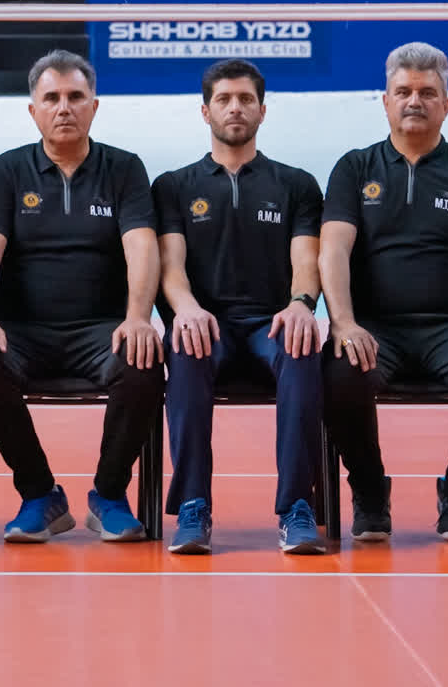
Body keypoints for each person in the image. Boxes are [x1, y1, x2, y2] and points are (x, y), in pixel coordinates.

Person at [320, 42, 448, 542]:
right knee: (338, 374)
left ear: (446, 104)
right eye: (404, 91)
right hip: (374, 328)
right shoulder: (354, 168)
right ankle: (370, 491)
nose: (415, 101)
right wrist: (343, 323)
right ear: (385, 101)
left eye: (428, 92)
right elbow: (333, 251)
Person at [0, 49, 164, 544]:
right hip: (22, 332)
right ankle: (39, 494)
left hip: (102, 331)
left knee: (143, 360)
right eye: (51, 98)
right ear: (34, 111)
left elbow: (141, 245)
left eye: (76, 96)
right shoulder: (8, 170)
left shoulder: (124, 168)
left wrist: (139, 317)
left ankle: (108, 495)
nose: (64, 107)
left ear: (95, 106)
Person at [153, 59, 326, 555]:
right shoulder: (173, 186)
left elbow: (306, 260)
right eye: (224, 99)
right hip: (207, 326)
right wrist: (186, 308)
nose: (235, 108)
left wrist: (301, 304)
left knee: (302, 349)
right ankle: (193, 506)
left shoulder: (296, 184)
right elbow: (170, 265)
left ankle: (297, 507)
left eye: (246, 99)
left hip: (271, 325)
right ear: (205, 111)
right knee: (184, 349)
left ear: (262, 111)